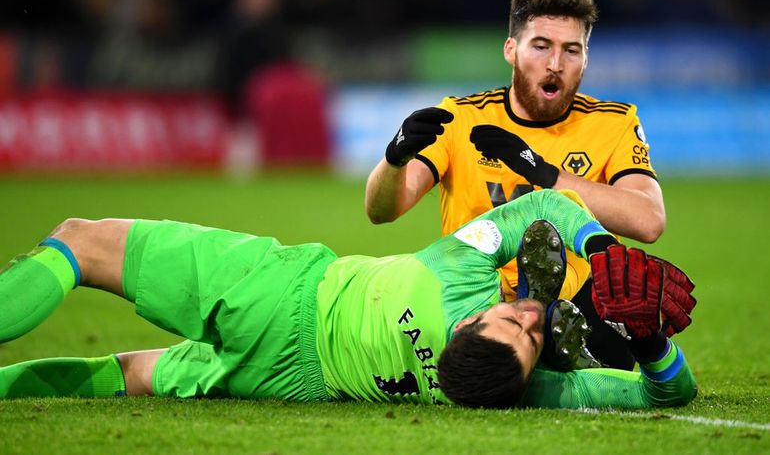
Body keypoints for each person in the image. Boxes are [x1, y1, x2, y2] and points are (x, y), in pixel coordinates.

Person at [0, 190, 694, 409]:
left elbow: (545, 201)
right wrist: (652, 345)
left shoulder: (457, 277)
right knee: (129, 375)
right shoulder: (525, 390)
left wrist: (602, 247)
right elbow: (666, 398)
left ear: (472, 322)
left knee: (79, 241)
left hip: (276, 294)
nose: (532, 318)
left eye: (519, 324)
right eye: (528, 325)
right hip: (289, 382)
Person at [365, 0, 664, 369]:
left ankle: (544, 330)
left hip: (573, 299)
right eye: (541, 46)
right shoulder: (463, 118)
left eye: (571, 50)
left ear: (586, 58)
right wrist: (393, 160)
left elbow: (649, 220)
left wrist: (547, 176)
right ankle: (537, 346)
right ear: (511, 50)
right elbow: (382, 210)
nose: (555, 64)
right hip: (474, 297)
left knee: (623, 317)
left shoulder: (614, 123)